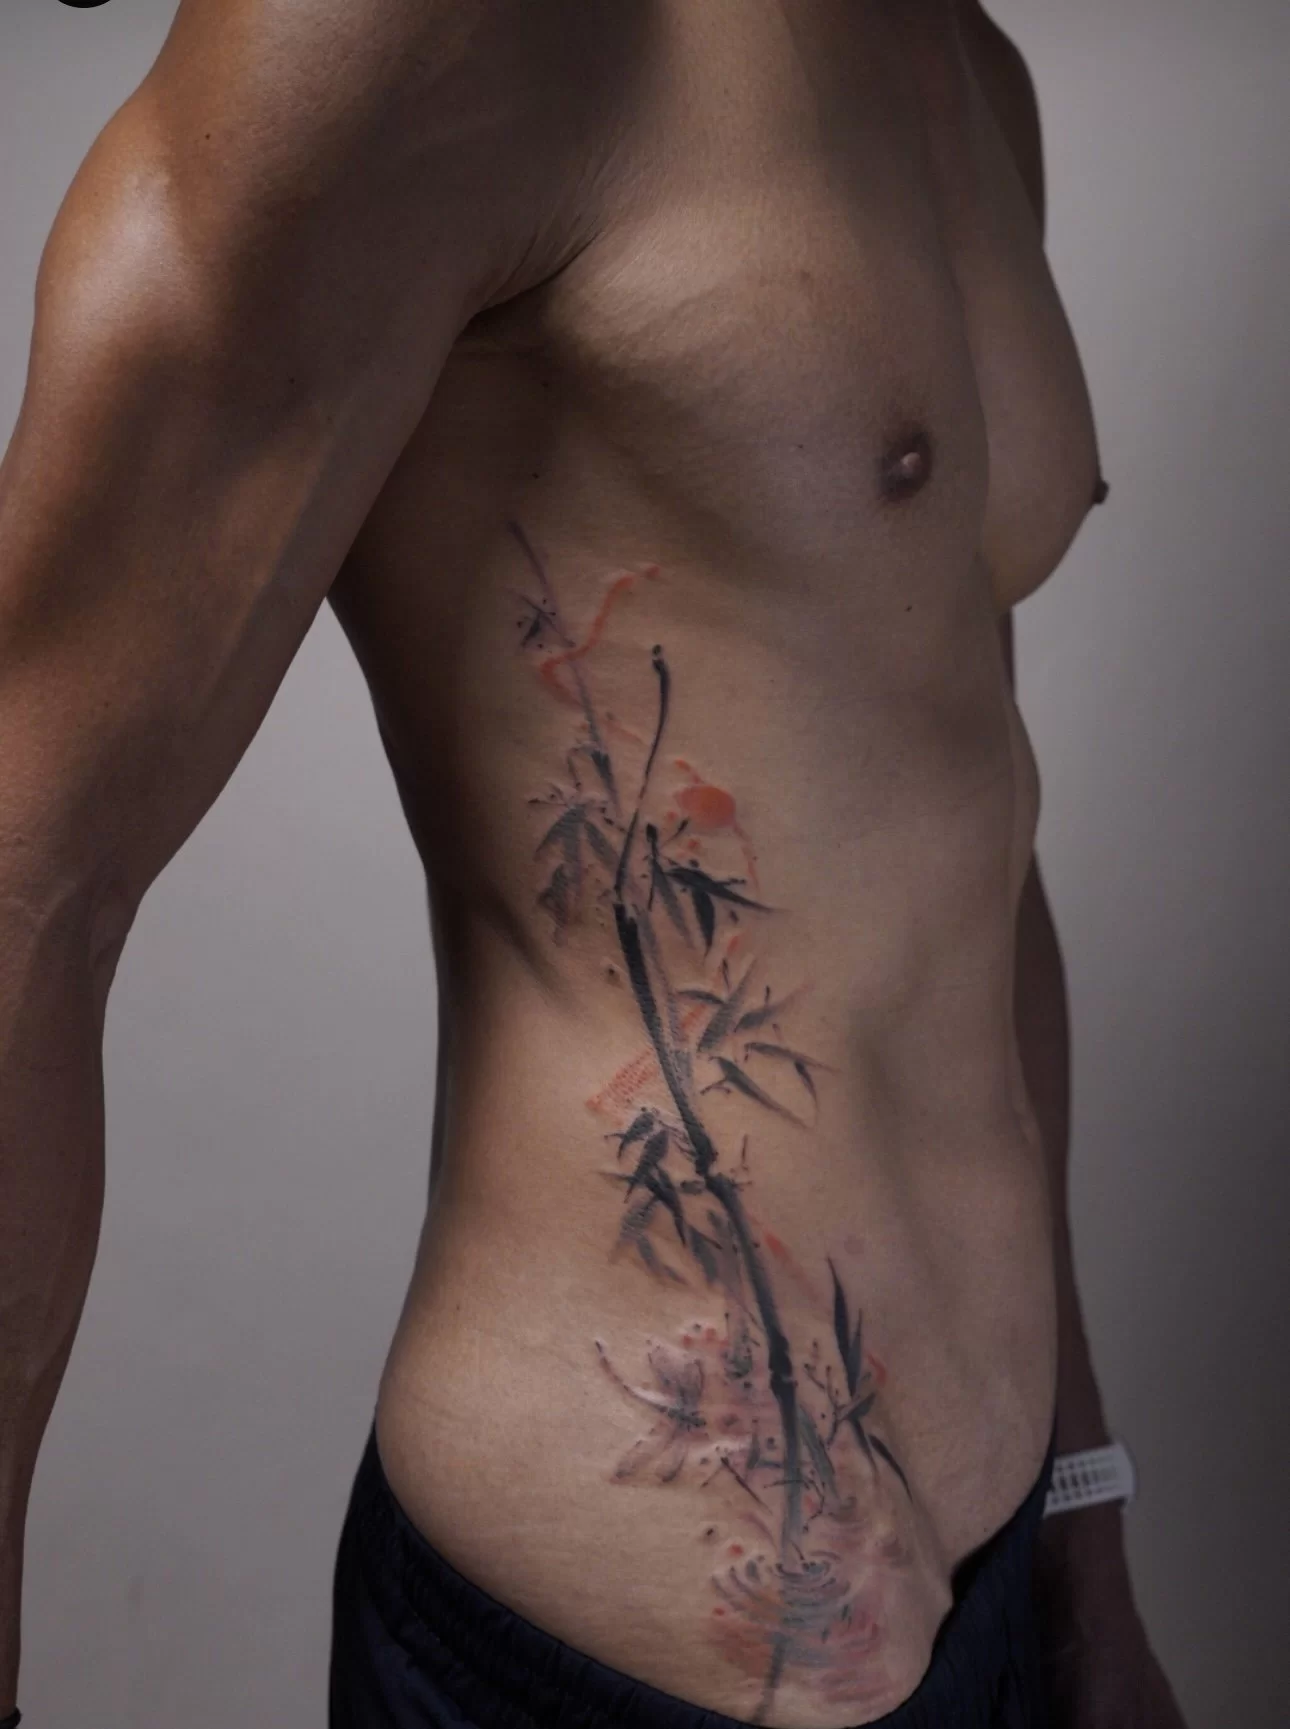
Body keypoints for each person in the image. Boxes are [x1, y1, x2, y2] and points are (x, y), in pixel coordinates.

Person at [0, 1, 1190, 1724]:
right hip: (620, 1648)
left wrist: (1081, 1517)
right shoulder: (405, 36)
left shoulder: (963, 64)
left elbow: (961, 841)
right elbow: (29, 872)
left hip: (1001, 1570)